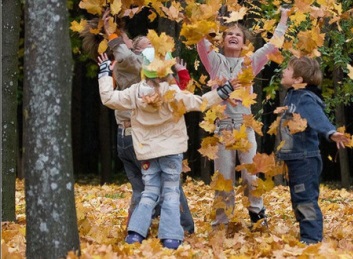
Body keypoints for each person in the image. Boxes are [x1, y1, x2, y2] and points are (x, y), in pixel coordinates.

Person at [96, 49, 237, 249]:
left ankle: (135, 233)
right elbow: (200, 102)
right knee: (170, 192)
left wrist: (104, 73)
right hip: (171, 151)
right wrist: (223, 91)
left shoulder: (135, 92)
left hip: (146, 151)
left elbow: (108, 98)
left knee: (149, 191)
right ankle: (170, 237)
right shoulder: (172, 93)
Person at [80, 14, 195, 234]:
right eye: (129, 42)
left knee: (142, 190)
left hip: (126, 137)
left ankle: (136, 231)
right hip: (139, 138)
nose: (128, 41)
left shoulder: (130, 68)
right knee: (169, 185)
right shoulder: (132, 66)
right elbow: (125, 55)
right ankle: (183, 228)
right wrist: (112, 33)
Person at [196, 8, 290, 227]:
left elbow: (272, 46)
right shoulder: (214, 61)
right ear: (222, 40)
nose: (233, 36)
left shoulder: (251, 62)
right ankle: (221, 223)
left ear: (245, 42)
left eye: (238, 34)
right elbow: (201, 41)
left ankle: (257, 217)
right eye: (229, 33)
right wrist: (206, 15)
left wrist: (283, 18)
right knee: (224, 179)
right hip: (223, 129)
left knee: (251, 176)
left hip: (245, 129)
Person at [276, 56, 349, 244]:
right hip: (296, 158)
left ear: (298, 79)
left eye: (288, 69)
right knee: (298, 198)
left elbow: (318, 118)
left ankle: (312, 240)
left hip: (305, 159)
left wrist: (331, 133)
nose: (283, 71)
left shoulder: (305, 98)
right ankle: (307, 235)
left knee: (305, 199)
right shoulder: (292, 95)